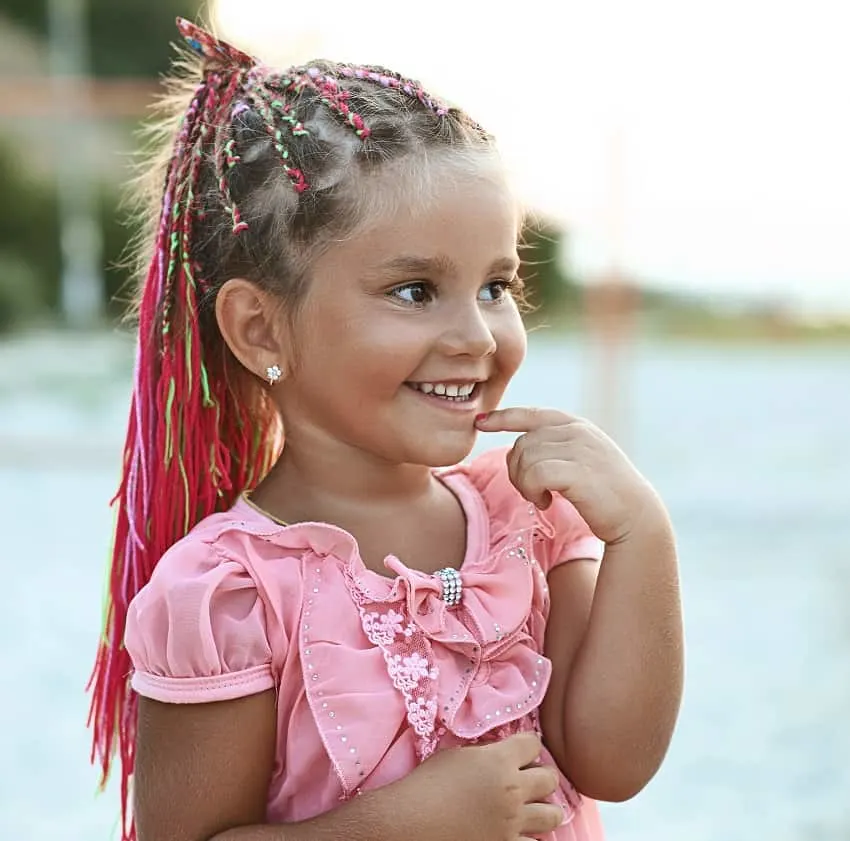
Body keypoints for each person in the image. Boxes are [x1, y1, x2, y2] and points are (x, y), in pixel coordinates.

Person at [87, 17, 684, 841]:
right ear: (261, 330)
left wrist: (641, 535)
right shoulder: (231, 593)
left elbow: (615, 762)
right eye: (414, 290)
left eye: (496, 285)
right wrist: (406, 823)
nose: (477, 337)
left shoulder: (530, 521)